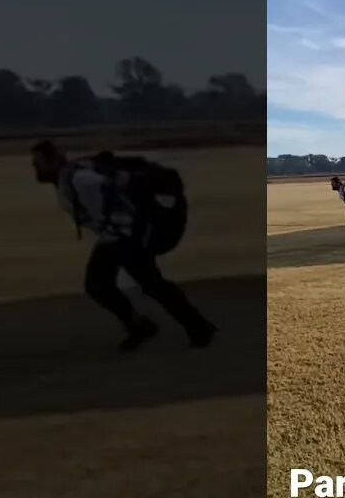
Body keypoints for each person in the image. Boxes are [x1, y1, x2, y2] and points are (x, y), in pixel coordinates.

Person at [30, 139, 217, 352]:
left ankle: (187, 327)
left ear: (54, 161)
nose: (35, 168)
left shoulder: (80, 179)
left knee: (132, 285)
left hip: (126, 238)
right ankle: (170, 326)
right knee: (126, 285)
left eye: (38, 163)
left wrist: (129, 222)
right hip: (117, 238)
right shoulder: (68, 180)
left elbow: (119, 186)